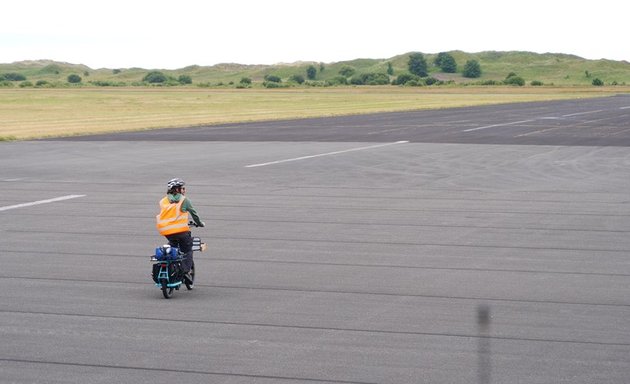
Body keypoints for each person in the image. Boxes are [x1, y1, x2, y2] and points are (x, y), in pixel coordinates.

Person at [156, 178, 204, 282]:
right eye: (183, 188)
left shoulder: (163, 201)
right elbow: (194, 214)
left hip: (166, 231)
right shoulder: (184, 200)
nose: (184, 190)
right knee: (187, 249)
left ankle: (171, 267)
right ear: (177, 189)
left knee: (172, 248)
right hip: (181, 231)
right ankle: (185, 270)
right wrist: (200, 223)